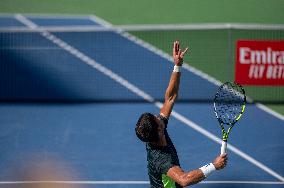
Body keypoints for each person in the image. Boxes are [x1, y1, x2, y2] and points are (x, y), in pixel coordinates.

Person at [135, 41, 228, 188]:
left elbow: (170, 97)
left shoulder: (158, 130)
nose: (158, 115)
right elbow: (184, 179)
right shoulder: (160, 158)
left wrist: (177, 66)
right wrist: (214, 165)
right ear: (158, 130)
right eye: (156, 118)